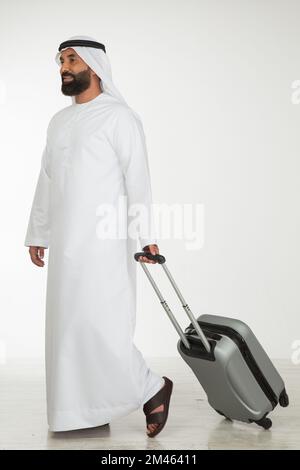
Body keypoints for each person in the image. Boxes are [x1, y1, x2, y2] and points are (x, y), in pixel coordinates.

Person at [24, 35, 173, 437]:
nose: (64, 68)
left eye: (71, 59)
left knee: (101, 324)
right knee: (68, 328)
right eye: (60, 61)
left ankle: (152, 387)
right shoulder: (59, 121)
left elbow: (137, 180)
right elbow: (47, 179)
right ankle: (83, 412)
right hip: (67, 244)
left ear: (94, 65)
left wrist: (146, 237)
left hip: (106, 242)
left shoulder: (119, 117)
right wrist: (38, 231)